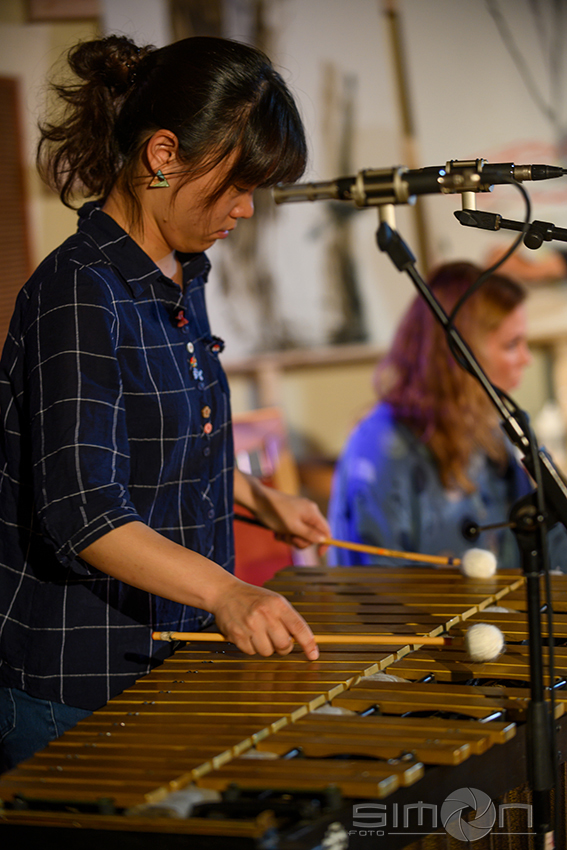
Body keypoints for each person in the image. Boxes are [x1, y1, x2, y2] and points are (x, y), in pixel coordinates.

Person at [0, 34, 331, 773]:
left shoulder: (182, 273)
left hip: (173, 654)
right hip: (81, 680)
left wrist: (254, 496)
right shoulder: (79, 292)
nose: (246, 208)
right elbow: (83, 512)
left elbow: (155, 442)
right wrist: (229, 593)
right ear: (163, 155)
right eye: (238, 183)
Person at [328, 260, 567, 570]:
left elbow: (541, 547)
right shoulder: (381, 446)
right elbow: (377, 582)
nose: (527, 359)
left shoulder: (490, 431)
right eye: (512, 345)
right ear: (459, 354)